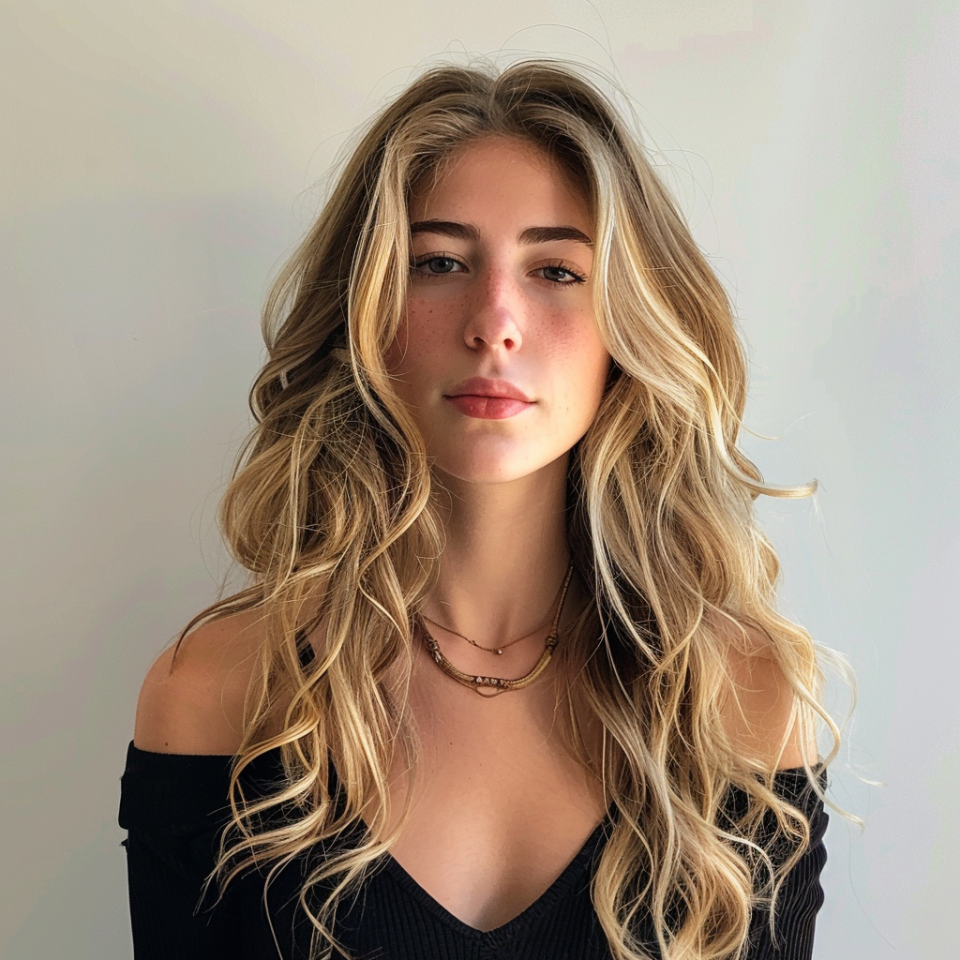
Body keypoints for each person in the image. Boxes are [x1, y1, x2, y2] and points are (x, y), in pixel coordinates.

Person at [119, 59, 835, 960]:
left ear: (632, 326)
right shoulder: (218, 694)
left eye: (556, 270)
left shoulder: (739, 700)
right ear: (366, 312)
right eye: (441, 262)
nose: (495, 320)